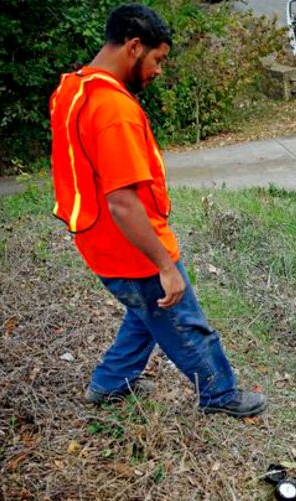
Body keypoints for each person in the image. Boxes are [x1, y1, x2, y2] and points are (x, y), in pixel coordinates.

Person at [49, 4, 266, 417]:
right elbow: (123, 201)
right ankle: (221, 395)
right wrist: (164, 264)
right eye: (158, 59)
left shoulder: (72, 89)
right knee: (182, 317)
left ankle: (110, 383)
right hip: (131, 247)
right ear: (134, 47)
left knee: (148, 311)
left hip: (98, 241)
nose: (159, 70)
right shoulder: (114, 110)